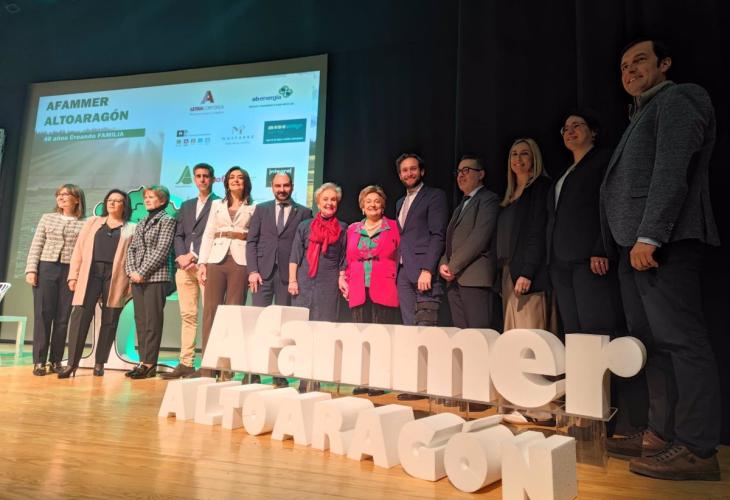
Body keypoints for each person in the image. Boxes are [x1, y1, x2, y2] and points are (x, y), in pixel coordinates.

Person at [601, 38, 721, 481]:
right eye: (623, 65)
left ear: (665, 63)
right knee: (652, 345)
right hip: (634, 248)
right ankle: (660, 434)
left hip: (662, 243)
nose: (629, 70)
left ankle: (697, 448)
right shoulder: (640, 114)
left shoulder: (680, 98)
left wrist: (650, 235)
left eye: (640, 61)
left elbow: (672, 172)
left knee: (682, 343)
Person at [547, 111, 624, 336]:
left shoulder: (604, 160)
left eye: (577, 125)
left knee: (595, 328)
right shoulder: (564, 173)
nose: (570, 131)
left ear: (593, 132)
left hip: (590, 259)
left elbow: (610, 204)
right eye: (565, 128)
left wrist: (602, 248)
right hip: (560, 261)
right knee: (572, 330)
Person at [59, 190, 135, 378]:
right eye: (110, 200)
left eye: (117, 201)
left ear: (125, 205)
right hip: (90, 273)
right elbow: (79, 250)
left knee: (110, 319)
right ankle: (72, 364)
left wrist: (130, 282)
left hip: (116, 276)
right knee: (80, 316)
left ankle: (100, 362)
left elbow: (133, 256)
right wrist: (73, 276)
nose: (112, 203)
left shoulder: (131, 228)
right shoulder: (93, 222)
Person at [246, 171, 311, 387]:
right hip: (261, 275)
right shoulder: (261, 209)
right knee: (258, 323)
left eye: (285, 186)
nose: (281, 190)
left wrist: (297, 276)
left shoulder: (304, 212)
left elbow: (304, 247)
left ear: (292, 186)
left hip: (287, 277)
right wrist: (252, 270)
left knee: (283, 326)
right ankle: (254, 371)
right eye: (277, 186)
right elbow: (252, 241)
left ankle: (279, 373)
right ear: (272, 187)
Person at [394, 153, 448, 401]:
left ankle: (431, 385)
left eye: (413, 169)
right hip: (403, 273)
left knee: (426, 329)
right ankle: (414, 385)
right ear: (400, 175)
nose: (409, 173)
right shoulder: (399, 202)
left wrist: (428, 268)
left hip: (424, 273)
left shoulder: (434, 196)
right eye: (404, 170)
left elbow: (438, 234)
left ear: (422, 171)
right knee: (409, 330)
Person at [161, 163, 219, 380]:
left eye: (206, 176)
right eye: (198, 176)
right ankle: (186, 362)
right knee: (188, 315)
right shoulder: (186, 206)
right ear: (194, 179)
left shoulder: (219, 204)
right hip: (184, 267)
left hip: (206, 267)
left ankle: (209, 364)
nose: (202, 179)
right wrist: (182, 256)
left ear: (212, 179)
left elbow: (214, 235)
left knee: (210, 316)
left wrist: (194, 256)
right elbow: (179, 235)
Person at [197, 166, 255, 379]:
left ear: (246, 182)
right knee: (210, 312)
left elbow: (254, 238)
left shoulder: (254, 207)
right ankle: (207, 367)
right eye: (232, 177)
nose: (235, 180)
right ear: (226, 182)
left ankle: (226, 368)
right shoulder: (217, 205)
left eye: (240, 177)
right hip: (216, 259)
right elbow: (208, 234)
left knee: (233, 313)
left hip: (240, 261)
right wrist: (202, 263)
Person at [25, 184, 86, 376]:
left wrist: (78, 275)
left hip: (70, 271)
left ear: (77, 199)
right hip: (46, 268)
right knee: (43, 315)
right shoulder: (47, 218)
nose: (61, 197)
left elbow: (84, 251)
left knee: (62, 317)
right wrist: (31, 269)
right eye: (58, 194)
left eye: (66, 194)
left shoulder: (85, 223)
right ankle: (39, 361)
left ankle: (56, 360)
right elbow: (36, 244)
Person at [344, 185, 400, 396]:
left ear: (383, 206)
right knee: (362, 337)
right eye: (368, 201)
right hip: (358, 287)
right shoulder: (352, 229)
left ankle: (379, 381)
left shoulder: (393, 227)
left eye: (377, 201)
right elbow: (348, 259)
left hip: (384, 286)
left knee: (381, 337)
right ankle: (363, 380)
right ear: (362, 206)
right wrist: (345, 280)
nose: (373, 205)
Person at [496, 138, 553, 332]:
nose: (518, 159)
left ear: (534, 158)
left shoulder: (540, 187)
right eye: (514, 154)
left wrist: (528, 272)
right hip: (508, 274)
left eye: (524, 153)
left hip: (528, 275)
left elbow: (538, 232)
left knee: (529, 337)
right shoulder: (509, 196)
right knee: (512, 337)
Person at [439, 155, 500, 329]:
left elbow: (479, 238)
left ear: (481, 174)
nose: (461, 175)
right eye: (458, 171)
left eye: (466, 170)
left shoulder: (488, 199)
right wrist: (443, 264)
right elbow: (450, 240)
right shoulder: (461, 205)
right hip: (454, 281)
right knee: (462, 336)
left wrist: (452, 266)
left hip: (475, 279)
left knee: (478, 335)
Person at [124, 185, 176, 380]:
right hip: (137, 278)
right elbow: (132, 249)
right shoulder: (142, 221)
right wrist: (132, 271)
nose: (147, 200)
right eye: (146, 197)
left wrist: (142, 272)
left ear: (162, 200)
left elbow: (162, 250)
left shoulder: (167, 220)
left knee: (153, 321)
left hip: (156, 277)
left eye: (151, 197)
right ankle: (142, 361)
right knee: (141, 320)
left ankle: (150, 363)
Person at [288, 182, 348, 322]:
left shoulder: (343, 228)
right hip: (303, 282)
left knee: (325, 323)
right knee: (300, 322)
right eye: (325, 199)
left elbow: (344, 257)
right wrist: (292, 281)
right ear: (318, 203)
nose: (329, 203)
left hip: (329, 283)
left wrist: (342, 277)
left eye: (333, 199)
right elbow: (295, 256)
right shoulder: (304, 226)